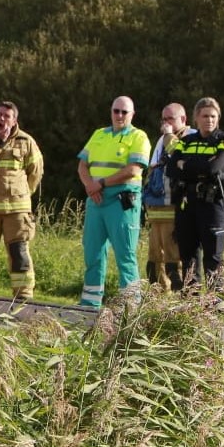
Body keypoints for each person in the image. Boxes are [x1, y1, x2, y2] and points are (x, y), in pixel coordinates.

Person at [76, 96, 151, 308]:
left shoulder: (138, 136)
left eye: (124, 112)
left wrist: (100, 183)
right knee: (93, 252)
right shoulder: (99, 134)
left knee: (125, 254)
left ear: (132, 114)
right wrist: (91, 185)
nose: (119, 116)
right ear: (110, 112)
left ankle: (131, 307)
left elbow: (134, 169)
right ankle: (90, 305)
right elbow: (82, 166)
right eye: (116, 111)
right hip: (96, 198)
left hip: (121, 200)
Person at [0, 101, 43, 301]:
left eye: (7, 116)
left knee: (19, 254)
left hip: (17, 210)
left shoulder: (26, 141)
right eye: (0, 114)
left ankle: (23, 298)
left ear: (14, 120)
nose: (2, 119)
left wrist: (23, 193)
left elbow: (35, 172)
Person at [167, 97, 224, 291]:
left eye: (213, 116)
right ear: (196, 118)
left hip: (212, 205)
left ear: (218, 118)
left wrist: (185, 165)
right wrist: (199, 166)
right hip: (187, 205)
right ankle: (192, 310)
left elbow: (214, 168)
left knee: (213, 261)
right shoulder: (185, 141)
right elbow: (171, 168)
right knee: (189, 260)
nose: (209, 120)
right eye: (205, 116)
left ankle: (215, 311)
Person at [142, 103, 189, 290]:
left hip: (174, 207)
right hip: (156, 206)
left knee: (172, 256)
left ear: (183, 119)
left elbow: (178, 156)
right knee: (154, 256)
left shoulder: (189, 136)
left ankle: (176, 299)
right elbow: (152, 169)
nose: (165, 123)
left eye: (170, 118)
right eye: (163, 119)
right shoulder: (163, 139)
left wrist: (168, 135)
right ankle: (157, 296)